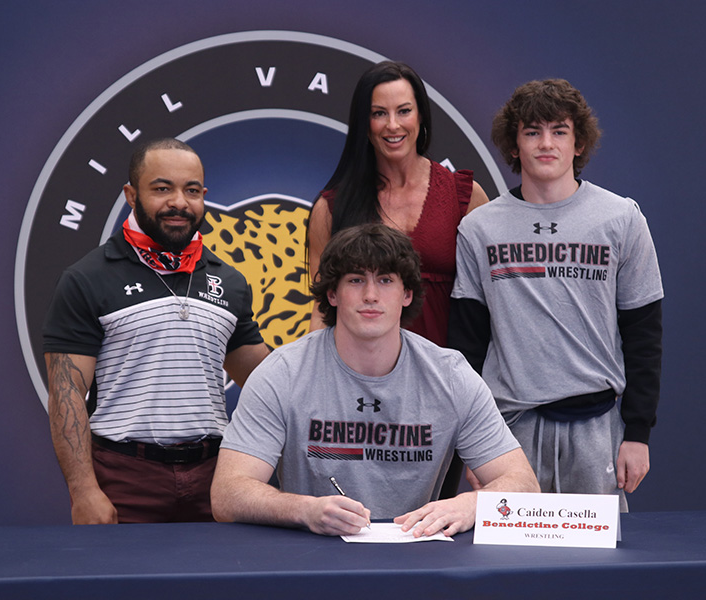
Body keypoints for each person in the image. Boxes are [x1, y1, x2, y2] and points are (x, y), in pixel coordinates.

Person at [211, 223, 538, 537]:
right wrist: (305, 511)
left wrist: (471, 505)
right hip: (311, 561)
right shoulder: (281, 373)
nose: (370, 295)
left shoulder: (450, 375)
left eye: (385, 280)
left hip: (416, 561)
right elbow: (227, 494)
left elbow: (523, 482)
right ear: (333, 294)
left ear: (406, 294)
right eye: (355, 280)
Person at [449, 79, 663, 511]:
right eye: (532, 132)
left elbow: (644, 335)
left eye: (559, 131)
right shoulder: (479, 228)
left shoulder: (621, 218)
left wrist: (637, 433)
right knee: (506, 569)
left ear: (579, 142)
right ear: (513, 146)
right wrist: (472, 443)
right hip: (507, 433)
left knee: (595, 572)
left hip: (596, 430)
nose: (546, 143)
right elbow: (466, 349)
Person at [43, 138, 269, 524]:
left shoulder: (229, 282)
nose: (179, 202)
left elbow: (267, 380)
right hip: (126, 479)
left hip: (215, 476)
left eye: (192, 190)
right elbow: (66, 395)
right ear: (131, 195)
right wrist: (83, 491)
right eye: (162, 188)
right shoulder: (87, 278)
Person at [307, 60, 490, 497]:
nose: (393, 125)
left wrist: (487, 410)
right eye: (378, 113)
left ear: (421, 116)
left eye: (404, 111)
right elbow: (320, 308)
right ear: (363, 123)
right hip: (358, 389)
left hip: (446, 388)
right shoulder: (331, 207)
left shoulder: (467, 196)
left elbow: (492, 307)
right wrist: (314, 393)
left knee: (437, 520)